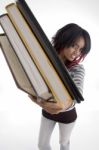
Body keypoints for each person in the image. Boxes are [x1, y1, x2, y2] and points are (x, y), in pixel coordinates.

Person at [29, 23, 91, 150]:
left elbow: (77, 94)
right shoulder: (45, 59)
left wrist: (63, 106)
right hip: (47, 111)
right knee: (42, 144)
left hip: (67, 115)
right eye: (74, 46)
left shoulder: (77, 69)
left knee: (64, 143)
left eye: (81, 50)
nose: (76, 53)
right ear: (64, 39)